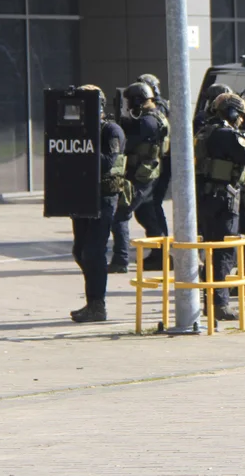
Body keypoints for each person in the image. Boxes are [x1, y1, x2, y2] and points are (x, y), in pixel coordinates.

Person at [194, 91, 245, 321]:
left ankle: (209, 302)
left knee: (211, 251)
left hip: (205, 198)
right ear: (232, 113)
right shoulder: (228, 135)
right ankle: (220, 304)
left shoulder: (205, 132)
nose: (241, 120)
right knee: (225, 252)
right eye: (240, 115)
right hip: (224, 199)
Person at [70, 85, 127, 323]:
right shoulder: (77, 129)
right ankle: (92, 300)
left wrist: (84, 145)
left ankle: (97, 305)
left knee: (93, 252)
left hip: (103, 197)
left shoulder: (110, 130)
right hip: (82, 196)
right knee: (80, 252)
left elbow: (108, 161)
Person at [109, 81, 170, 273]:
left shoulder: (147, 121)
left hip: (142, 176)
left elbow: (128, 143)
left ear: (138, 100)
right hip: (149, 175)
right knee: (147, 215)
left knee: (119, 215)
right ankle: (160, 257)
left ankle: (121, 260)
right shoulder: (157, 117)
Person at [135, 73, 170, 244]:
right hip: (158, 164)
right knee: (149, 207)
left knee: (149, 206)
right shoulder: (161, 107)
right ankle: (160, 248)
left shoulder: (158, 109)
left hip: (156, 164)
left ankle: (161, 249)